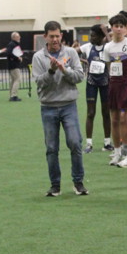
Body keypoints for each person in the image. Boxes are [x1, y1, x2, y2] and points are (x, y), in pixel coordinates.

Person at [32, 21, 87, 197]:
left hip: (68, 105)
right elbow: (39, 82)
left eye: (57, 36)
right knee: (51, 148)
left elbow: (79, 76)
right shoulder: (38, 57)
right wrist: (50, 71)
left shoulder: (71, 53)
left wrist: (64, 70)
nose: (55, 39)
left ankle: (78, 182)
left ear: (61, 36)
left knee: (75, 143)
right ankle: (55, 185)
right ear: (45, 37)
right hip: (48, 107)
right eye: (51, 36)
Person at [103, 14, 127, 167]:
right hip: (114, 86)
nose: (118, 29)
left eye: (121, 26)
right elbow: (109, 68)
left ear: (125, 29)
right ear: (111, 28)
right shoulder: (108, 47)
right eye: (116, 26)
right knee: (114, 120)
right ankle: (117, 152)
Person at [80, 25, 110, 153]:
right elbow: (71, 53)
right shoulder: (87, 47)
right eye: (90, 35)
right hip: (91, 83)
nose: (91, 38)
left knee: (106, 113)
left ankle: (107, 143)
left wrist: (106, 32)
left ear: (101, 37)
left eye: (93, 36)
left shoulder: (107, 47)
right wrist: (81, 60)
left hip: (105, 83)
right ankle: (89, 144)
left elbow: (112, 45)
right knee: (90, 113)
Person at [6, 32, 24, 101]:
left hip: (12, 64)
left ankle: (12, 95)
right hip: (14, 65)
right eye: (18, 36)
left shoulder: (13, 44)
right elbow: (9, 53)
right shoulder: (12, 44)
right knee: (17, 79)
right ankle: (14, 95)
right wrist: (17, 58)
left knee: (14, 80)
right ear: (14, 37)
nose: (20, 37)